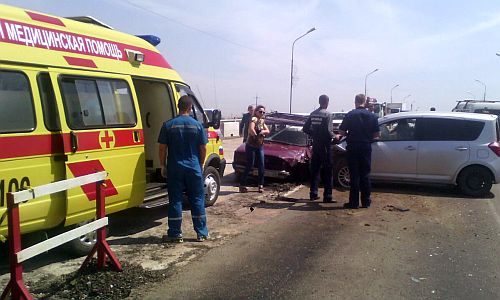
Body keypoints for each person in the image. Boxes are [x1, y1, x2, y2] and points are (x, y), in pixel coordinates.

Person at [158, 95, 209, 243]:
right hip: (194, 168)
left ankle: (175, 234)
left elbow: (162, 148)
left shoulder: (168, 125)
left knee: (175, 200)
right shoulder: (197, 125)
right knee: (198, 199)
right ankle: (201, 233)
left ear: (178, 106)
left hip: (175, 168)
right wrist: (200, 163)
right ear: (190, 107)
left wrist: (163, 165)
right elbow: (203, 148)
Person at [338, 94, 380, 209]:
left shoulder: (350, 114)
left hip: (352, 147)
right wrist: (367, 138)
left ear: (355, 101)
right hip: (366, 147)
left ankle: (353, 202)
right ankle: (366, 202)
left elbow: (341, 132)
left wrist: (349, 134)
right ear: (365, 102)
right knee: (365, 174)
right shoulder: (372, 116)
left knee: (354, 175)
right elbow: (377, 136)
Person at [303, 94, 335, 202]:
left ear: (319, 101)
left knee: (315, 170)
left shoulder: (313, 114)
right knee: (328, 171)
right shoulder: (328, 114)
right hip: (325, 146)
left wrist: (314, 134)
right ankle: (328, 196)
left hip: (316, 146)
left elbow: (305, 128)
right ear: (327, 102)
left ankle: (313, 193)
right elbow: (328, 131)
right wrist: (336, 137)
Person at [239, 104, 270, 193]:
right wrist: (256, 135)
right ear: (256, 112)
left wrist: (263, 131)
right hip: (251, 145)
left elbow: (268, 130)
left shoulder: (262, 121)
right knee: (250, 165)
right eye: (260, 111)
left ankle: (260, 185)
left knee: (261, 165)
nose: (262, 113)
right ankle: (242, 184)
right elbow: (251, 129)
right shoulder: (254, 119)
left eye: (263, 112)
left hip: (259, 146)